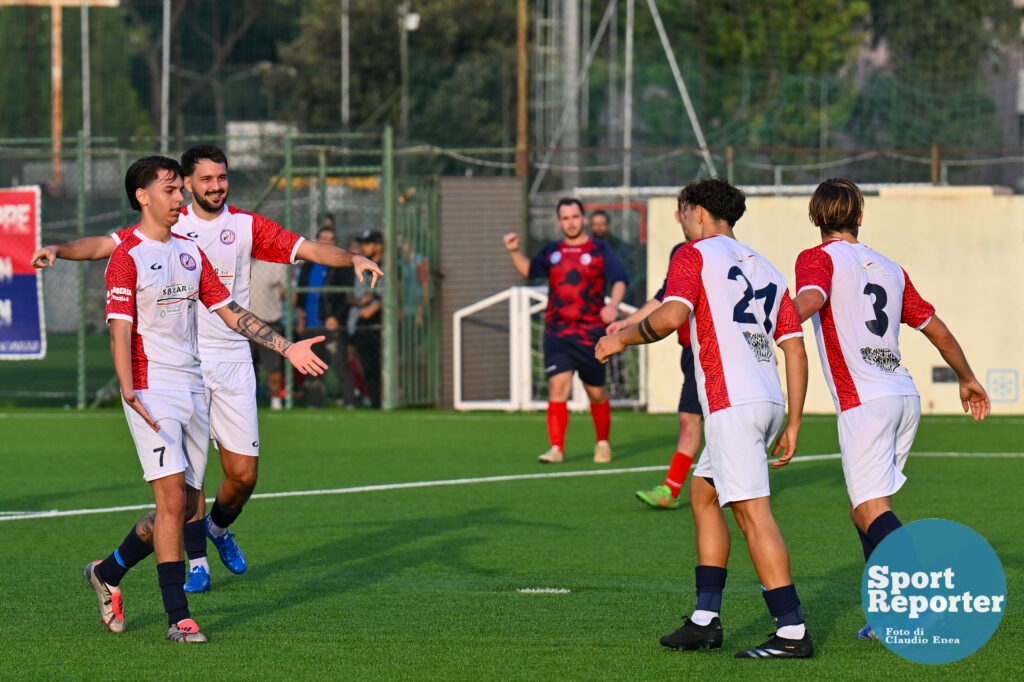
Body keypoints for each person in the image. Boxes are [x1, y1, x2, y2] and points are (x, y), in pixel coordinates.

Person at [31, 144, 382, 593]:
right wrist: (59, 249)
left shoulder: (244, 226)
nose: (215, 186)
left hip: (234, 357)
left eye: (222, 177)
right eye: (203, 180)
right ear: (186, 183)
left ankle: (210, 532)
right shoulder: (165, 224)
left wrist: (350, 258)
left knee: (243, 475)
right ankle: (194, 570)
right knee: (182, 490)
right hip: (177, 370)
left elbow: (305, 247)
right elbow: (105, 245)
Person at [91, 155, 326, 642]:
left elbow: (230, 311)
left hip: (193, 387)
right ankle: (179, 617)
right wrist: (128, 387)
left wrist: (286, 346)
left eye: (181, 189)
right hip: (150, 391)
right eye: (172, 189)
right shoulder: (126, 255)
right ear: (143, 197)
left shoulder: (189, 253)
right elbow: (120, 329)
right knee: (174, 500)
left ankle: (108, 572)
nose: (181, 198)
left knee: (179, 506)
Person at [596, 178, 813, 658]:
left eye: (681, 212)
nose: (680, 220)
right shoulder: (769, 268)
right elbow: (794, 349)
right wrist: (793, 421)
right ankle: (705, 620)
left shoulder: (692, 255)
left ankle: (793, 630)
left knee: (753, 515)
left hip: (731, 400)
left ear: (696, 212)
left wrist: (622, 337)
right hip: (767, 399)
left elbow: (673, 316)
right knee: (703, 492)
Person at [791, 177, 991, 640]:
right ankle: (889, 615)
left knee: (869, 509)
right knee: (865, 508)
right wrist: (967, 378)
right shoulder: (890, 268)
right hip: (904, 395)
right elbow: (935, 328)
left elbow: (814, 297)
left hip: (865, 401)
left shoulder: (816, 259)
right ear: (859, 216)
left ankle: (922, 601)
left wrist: (777, 319)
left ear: (815, 217)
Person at [503, 198, 628, 464]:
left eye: (574, 217)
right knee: (557, 386)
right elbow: (529, 270)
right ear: (559, 222)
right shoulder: (552, 251)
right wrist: (514, 251)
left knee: (596, 392)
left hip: (591, 334)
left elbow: (618, 279)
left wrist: (614, 305)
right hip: (557, 332)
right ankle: (556, 448)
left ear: (583, 218)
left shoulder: (600, 249)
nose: (570, 222)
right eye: (565, 218)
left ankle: (602, 443)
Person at [607, 240, 702, 509]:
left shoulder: (722, 253)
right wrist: (629, 322)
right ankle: (671, 491)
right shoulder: (681, 252)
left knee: (715, 424)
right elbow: (665, 297)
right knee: (689, 419)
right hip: (691, 353)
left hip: (716, 352)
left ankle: (733, 488)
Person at [295, 226, 356, 408]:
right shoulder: (307, 266)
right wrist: (300, 317)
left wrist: (335, 317)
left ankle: (349, 402)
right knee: (312, 367)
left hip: (330, 323)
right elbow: (300, 293)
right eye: (324, 238)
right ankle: (314, 403)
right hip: (310, 324)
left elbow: (345, 296)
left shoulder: (341, 266)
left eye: (331, 239)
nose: (327, 242)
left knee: (339, 364)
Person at [350, 229, 385, 407]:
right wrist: (359, 301)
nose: (364, 247)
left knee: (382, 365)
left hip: (383, 323)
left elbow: (395, 293)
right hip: (362, 323)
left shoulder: (389, 266)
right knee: (366, 366)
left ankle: (385, 400)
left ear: (379, 245)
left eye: (368, 243)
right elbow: (350, 295)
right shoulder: (360, 265)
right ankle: (375, 401)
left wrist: (377, 304)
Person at [248, 258, 289, 410]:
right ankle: (248, 401)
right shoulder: (239, 261)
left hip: (269, 323)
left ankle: (276, 401)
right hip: (243, 325)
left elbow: (288, 293)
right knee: (245, 366)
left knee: (273, 367)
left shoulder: (276, 265)